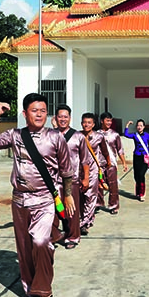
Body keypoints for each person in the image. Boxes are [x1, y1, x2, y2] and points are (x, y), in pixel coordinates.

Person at [0, 93, 72, 297]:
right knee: (24, 248)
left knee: (41, 242)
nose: (40, 114)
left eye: (43, 110)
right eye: (35, 110)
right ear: (25, 114)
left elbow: (67, 170)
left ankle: (44, 289)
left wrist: (68, 194)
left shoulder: (55, 138)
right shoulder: (15, 135)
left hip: (44, 200)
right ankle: (31, 289)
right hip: (19, 200)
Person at [54, 104, 90, 249]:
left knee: (71, 210)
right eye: (60, 116)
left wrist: (86, 177)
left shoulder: (78, 137)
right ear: (55, 118)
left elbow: (85, 160)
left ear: (70, 118)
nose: (63, 119)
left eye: (65, 116)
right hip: (54, 180)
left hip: (73, 179)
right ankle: (54, 235)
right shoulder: (50, 135)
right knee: (54, 210)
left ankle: (73, 236)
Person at [78, 112, 111, 236]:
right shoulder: (77, 135)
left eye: (89, 123)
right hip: (79, 171)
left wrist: (108, 162)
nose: (86, 125)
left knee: (90, 196)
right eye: (84, 122)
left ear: (93, 124)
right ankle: (83, 218)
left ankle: (85, 223)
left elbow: (104, 150)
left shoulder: (98, 137)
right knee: (80, 197)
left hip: (92, 171)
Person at [97, 112, 129, 215]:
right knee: (98, 185)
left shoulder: (115, 135)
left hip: (111, 164)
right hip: (99, 164)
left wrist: (124, 162)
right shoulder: (96, 134)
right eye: (107, 120)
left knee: (113, 186)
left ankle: (113, 206)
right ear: (102, 121)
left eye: (110, 120)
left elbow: (120, 149)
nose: (109, 122)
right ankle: (98, 204)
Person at [124, 119, 149, 202]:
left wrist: (146, 153)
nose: (139, 127)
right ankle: (138, 192)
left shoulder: (147, 135)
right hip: (136, 156)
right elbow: (126, 134)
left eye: (141, 125)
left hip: (144, 157)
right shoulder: (134, 135)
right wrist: (127, 125)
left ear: (144, 127)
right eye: (138, 125)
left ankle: (142, 194)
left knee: (141, 175)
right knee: (136, 175)